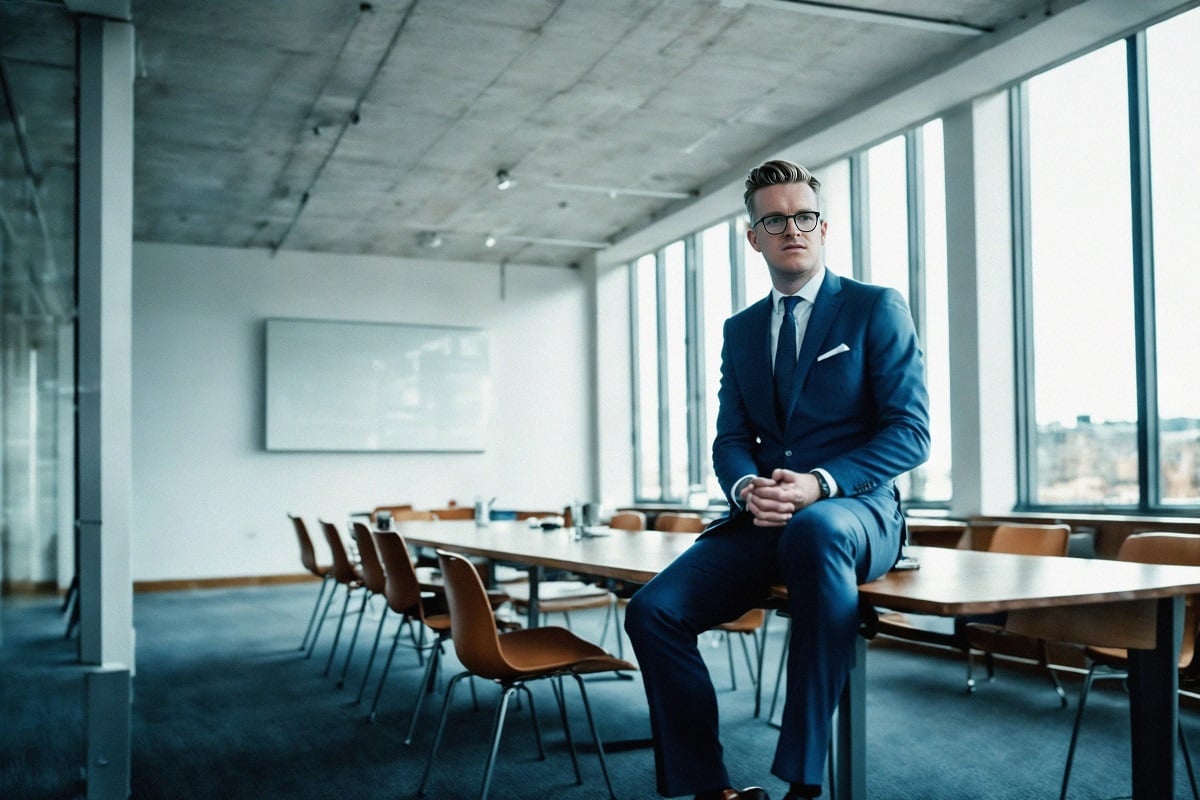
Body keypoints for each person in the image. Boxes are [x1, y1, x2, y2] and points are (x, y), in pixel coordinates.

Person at [624, 159, 930, 800]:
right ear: (753, 236)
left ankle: (802, 779)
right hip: (765, 514)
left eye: (804, 216)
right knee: (653, 612)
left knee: (816, 531)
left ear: (824, 228)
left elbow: (910, 432)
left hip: (856, 510)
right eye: (775, 219)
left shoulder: (876, 308)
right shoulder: (740, 332)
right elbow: (731, 439)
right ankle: (709, 791)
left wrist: (819, 482)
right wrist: (744, 489)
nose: (793, 228)